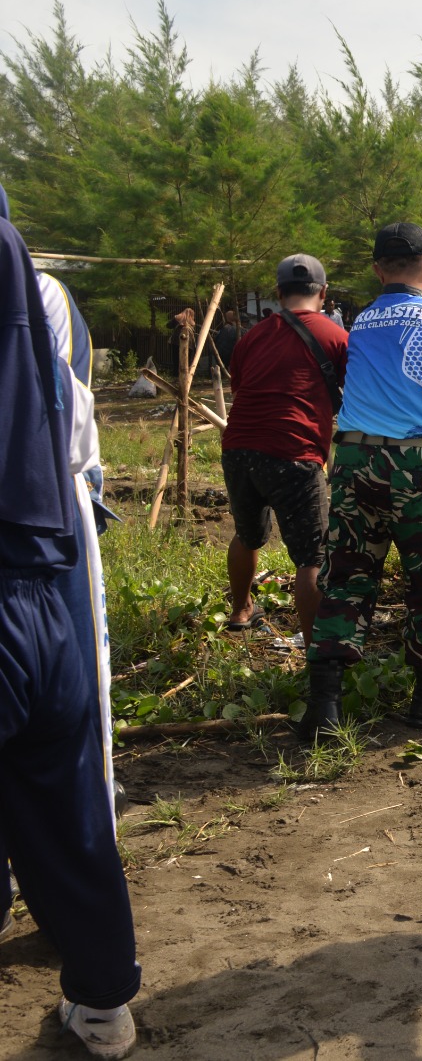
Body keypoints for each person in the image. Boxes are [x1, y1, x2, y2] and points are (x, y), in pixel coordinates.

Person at [0, 185, 141, 1059]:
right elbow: (79, 431)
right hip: (50, 557)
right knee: (66, 788)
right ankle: (101, 1002)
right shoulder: (43, 292)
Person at [301, 222, 422, 739]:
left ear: (378, 270)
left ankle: (326, 706)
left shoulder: (360, 321)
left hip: (354, 460)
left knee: (348, 574)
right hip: (416, 465)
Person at [220, 254, 348, 647]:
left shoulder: (251, 338)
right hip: (293, 452)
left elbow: (240, 391)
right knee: (311, 557)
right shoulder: (336, 338)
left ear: (278, 293)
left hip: (238, 448)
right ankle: (316, 653)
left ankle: (241, 609)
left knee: (247, 534)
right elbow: (351, 396)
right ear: (324, 294)